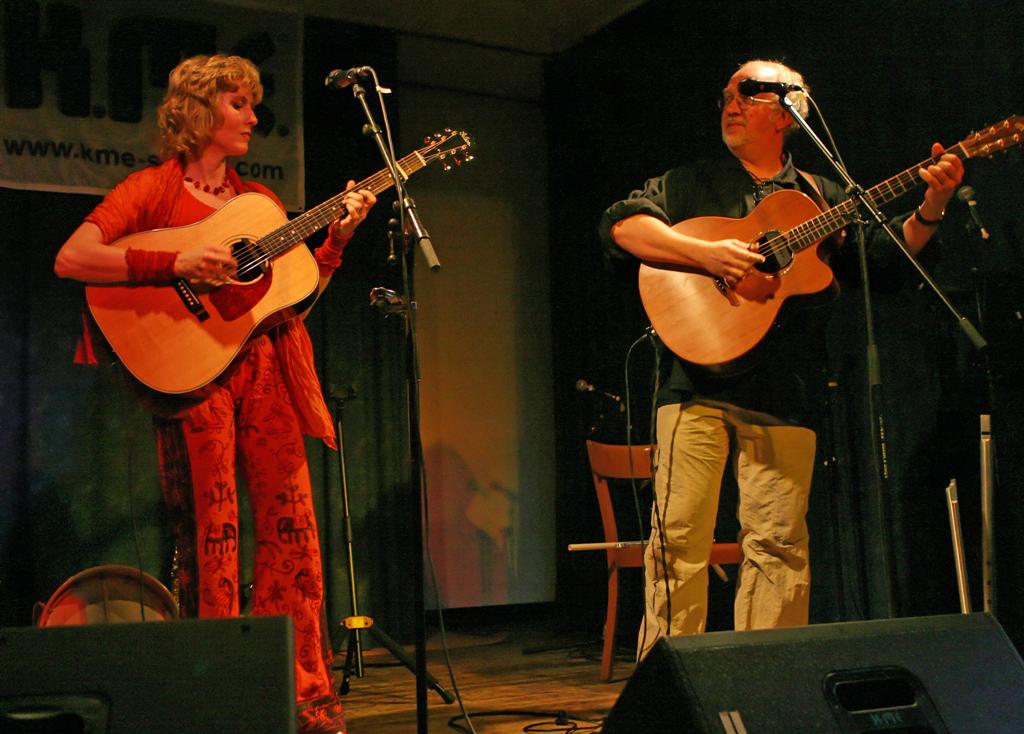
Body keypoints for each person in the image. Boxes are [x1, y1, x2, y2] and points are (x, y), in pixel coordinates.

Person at [54, 54, 376, 734]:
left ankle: (303, 694)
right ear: (198, 112)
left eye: (252, 104)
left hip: (266, 371)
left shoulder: (258, 205)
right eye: (239, 104)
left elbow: (287, 301)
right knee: (213, 534)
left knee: (294, 531)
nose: (254, 117)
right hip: (195, 378)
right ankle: (213, 698)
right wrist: (175, 260)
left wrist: (337, 240)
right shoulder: (150, 190)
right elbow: (73, 257)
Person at [598, 59, 963, 658]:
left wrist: (932, 205)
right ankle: (664, 687)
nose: (731, 104)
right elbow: (622, 228)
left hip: (788, 388)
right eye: (726, 95)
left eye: (747, 93)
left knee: (779, 546)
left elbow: (884, 260)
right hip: (696, 382)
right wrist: (705, 255)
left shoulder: (824, 194)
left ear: (790, 111)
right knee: (679, 542)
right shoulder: (690, 182)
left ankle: (764, 680)